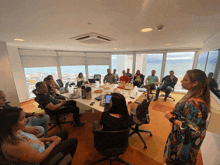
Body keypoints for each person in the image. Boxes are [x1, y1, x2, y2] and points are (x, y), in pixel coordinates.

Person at [0, 107, 78, 165]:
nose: (26, 120)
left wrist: (49, 138)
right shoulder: (15, 144)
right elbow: (38, 159)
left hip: (40, 146)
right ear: (12, 124)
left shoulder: (16, 131)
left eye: (25, 117)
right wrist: (54, 143)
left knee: (64, 132)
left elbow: (32, 140)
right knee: (73, 141)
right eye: (22, 119)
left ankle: (62, 156)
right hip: (42, 158)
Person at [164, 69, 210, 165]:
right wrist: (174, 111)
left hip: (183, 142)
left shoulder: (193, 103)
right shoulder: (192, 95)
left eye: (185, 80)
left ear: (195, 83)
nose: (181, 81)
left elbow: (193, 130)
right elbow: (185, 111)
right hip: (181, 138)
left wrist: (171, 118)